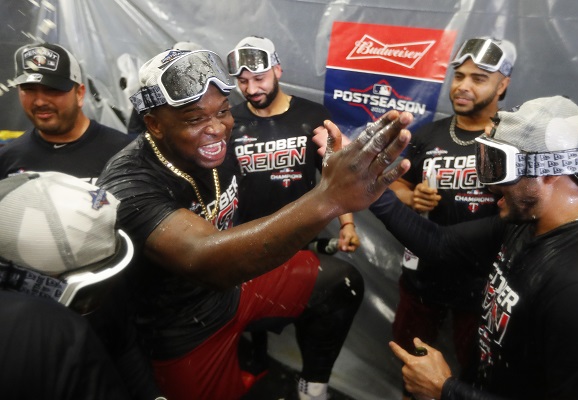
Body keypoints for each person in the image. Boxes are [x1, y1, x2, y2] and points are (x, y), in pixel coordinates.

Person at [97, 47, 412, 400]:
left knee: (341, 284)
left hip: (235, 289)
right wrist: (329, 197)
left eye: (222, 112)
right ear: (154, 123)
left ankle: (312, 391)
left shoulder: (217, 143)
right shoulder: (128, 183)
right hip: (183, 327)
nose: (216, 129)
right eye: (193, 119)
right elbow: (204, 258)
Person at [348, 95, 578, 399]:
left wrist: (446, 391)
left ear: (548, 172)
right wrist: (367, 186)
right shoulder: (531, 220)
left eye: (498, 166)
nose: (490, 184)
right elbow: (440, 244)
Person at [226, 35, 362, 383]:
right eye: (243, 81)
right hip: (247, 242)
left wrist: (347, 224)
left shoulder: (312, 115)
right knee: (244, 316)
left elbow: (336, 174)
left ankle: (311, 380)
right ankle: (255, 363)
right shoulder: (230, 120)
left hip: (303, 239)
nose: (251, 88)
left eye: (259, 78)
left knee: (313, 310)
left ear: (278, 69)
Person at [387, 37, 516, 395]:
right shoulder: (429, 134)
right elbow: (395, 182)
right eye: (459, 76)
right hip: (423, 277)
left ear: (502, 85)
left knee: (479, 373)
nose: (462, 86)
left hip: (484, 283)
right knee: (412, 365)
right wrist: (411, 196)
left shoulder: (513, 139)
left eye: (478, 78)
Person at [0, 171, 158, 400]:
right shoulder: (22, 345)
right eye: (86, 293)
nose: (102, 299)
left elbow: (122, 341)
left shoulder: (98, 268)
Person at [0, 42, 133, 183]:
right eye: (29, 89)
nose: (40, 102)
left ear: (79, 94)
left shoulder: (125, 153)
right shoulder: (8, 159)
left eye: (52, 89)